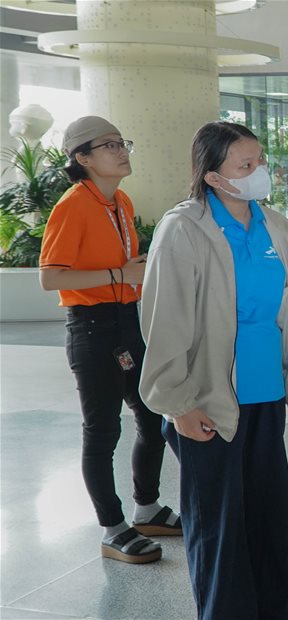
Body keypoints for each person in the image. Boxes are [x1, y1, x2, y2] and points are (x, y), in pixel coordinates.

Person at [140, 121, 288, 618]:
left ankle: (277, 612)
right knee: (219, 525)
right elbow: (164, 320)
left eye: (261, 160)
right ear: (214, 177)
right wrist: (178, 404)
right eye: (246, 164)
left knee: (269, 517)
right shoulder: (185, 229)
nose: (261, 171)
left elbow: (284, 310)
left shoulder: (273, 226)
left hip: (265, 393)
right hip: (208, 400)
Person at [39, 116, 179, 565]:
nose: (122, 152)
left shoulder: (120, 201)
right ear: (82, 158)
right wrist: (121, 273)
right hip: (91, 327)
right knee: (102, 430)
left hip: (126, 320)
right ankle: (113, 528)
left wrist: (135, 270)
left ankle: (147, 509)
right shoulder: (73, 206)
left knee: (152, 415)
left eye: (123, 143)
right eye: (109, 145)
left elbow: (123, 266)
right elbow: (50, 277)